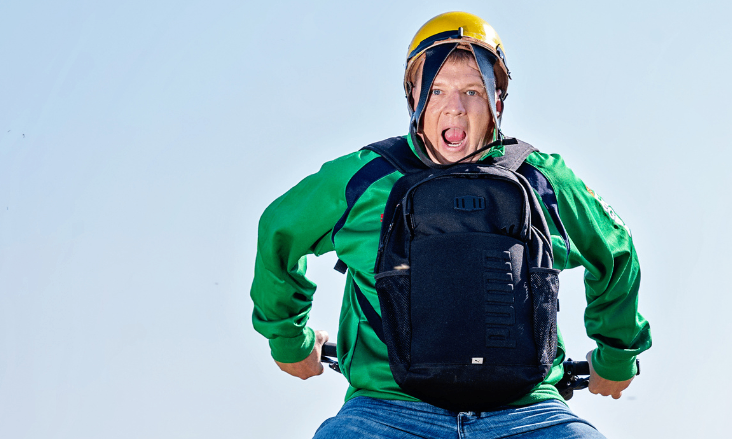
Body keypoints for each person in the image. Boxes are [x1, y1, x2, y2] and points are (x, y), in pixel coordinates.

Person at [250, 11, 651, 438]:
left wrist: (618, 352)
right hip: (386, 410)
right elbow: (279, 231)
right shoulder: (363, 180)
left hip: (528, 412)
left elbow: (616, 252)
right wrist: (288, 337)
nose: (454, 107)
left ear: (497, 101)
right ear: (414, 97)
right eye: (437, 89)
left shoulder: (544, 181)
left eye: (472, 91)